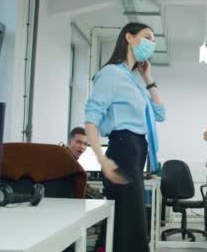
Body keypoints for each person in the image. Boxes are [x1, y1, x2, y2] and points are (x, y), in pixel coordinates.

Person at [84, 22, 166, 252]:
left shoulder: (136, 81)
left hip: (137, 151)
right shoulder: (111, 73)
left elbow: (160, 114)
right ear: (129, 38)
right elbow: (91, 117)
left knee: (123, 221)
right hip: (122, 149)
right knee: (132, 225)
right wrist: (102, 159)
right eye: (147, 37)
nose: (152, 43)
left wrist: (148, 77)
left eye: (154, 39)